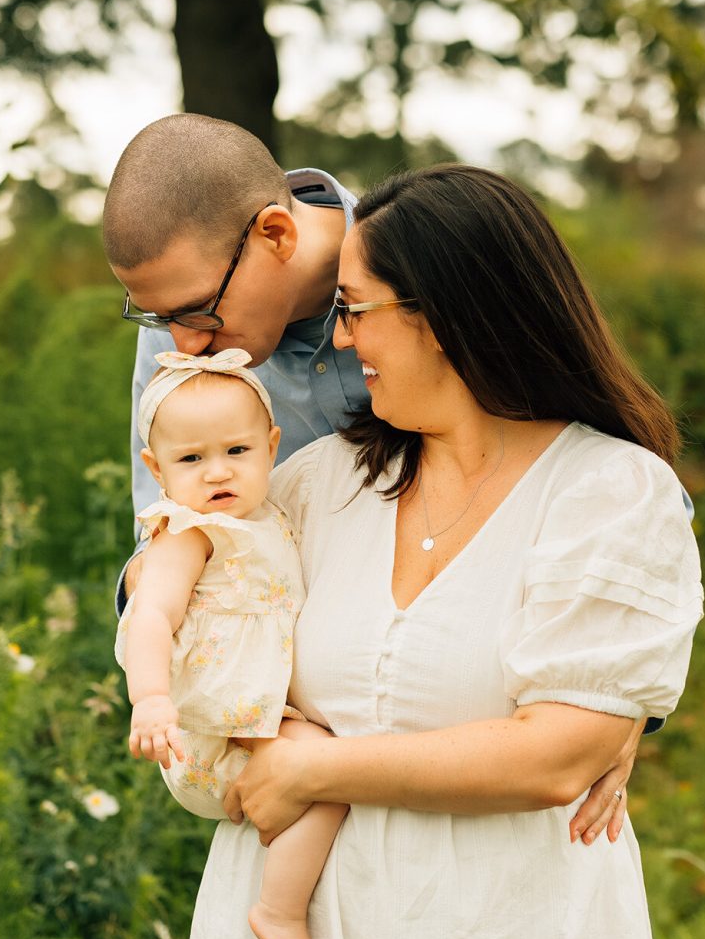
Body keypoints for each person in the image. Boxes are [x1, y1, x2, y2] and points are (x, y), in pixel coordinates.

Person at [183, 164, 704, 939]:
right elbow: (199, 663)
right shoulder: (312, 488)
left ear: (446, 315)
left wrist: (313, 766)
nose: (342, 344)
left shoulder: (608, 492)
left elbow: (557, 756)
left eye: (354, 310)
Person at [102, 115, 647, 841]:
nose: (185, 345)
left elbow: (588, 468)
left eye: (198, 311)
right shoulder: (187, 339)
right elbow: (164, 533)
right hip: (299, 734)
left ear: (275, 234)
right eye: (158, 317)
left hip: (473, 724)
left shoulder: (434, 255)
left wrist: (615, 704)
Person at [114, 348, 347, 939]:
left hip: (254, 708)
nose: (217, 472)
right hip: (211, 727)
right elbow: (152, 616)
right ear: (156, 470)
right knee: (328, 774)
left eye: (236, 452)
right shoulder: (187, 532)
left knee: (328, 768)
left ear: (272, 446)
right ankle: (278, 911)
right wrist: (151, 699)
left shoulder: (272, 516)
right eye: (191, 460)